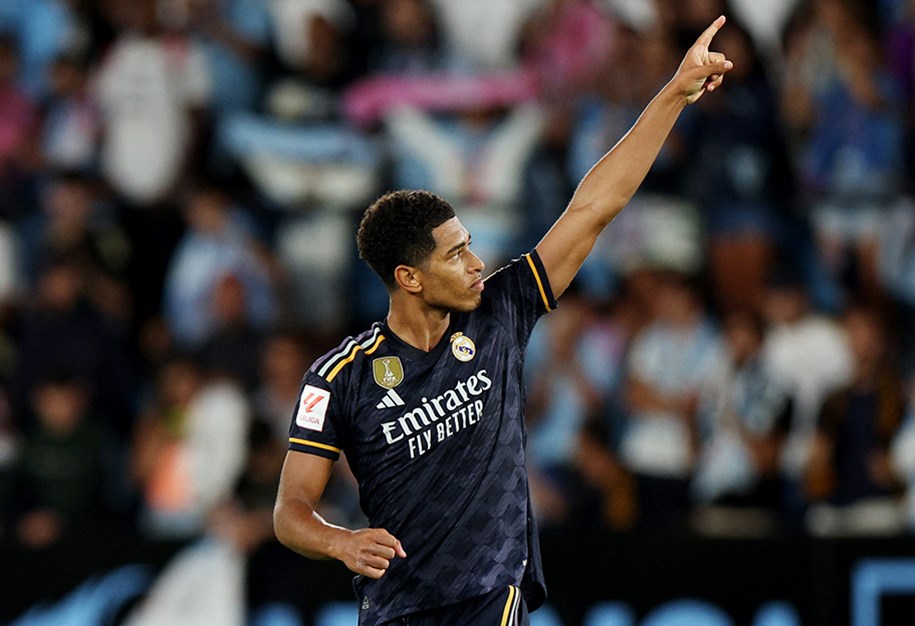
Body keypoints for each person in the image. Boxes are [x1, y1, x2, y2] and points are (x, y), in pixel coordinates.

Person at [272, 16, 733, 625]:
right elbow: (290, 511)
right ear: (409, 278)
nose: (476, 263)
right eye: (455, 254)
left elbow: (594, 207)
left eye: (470, 245)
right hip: (395, 612)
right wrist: (340, 541)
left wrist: (673, 93)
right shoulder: (340, 376)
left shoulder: (501, 312)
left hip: (491, 597)